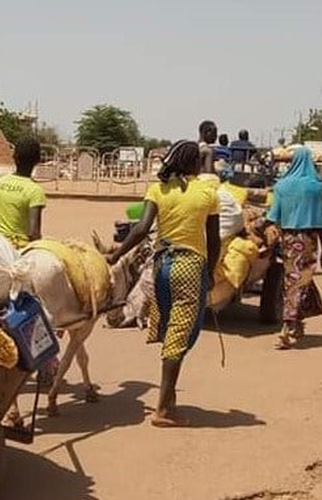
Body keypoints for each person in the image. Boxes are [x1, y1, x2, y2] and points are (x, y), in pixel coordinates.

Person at [107, 140, 220, 427]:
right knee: (180, 335)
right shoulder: (208, 192)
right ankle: (163, 410)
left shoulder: (157, 190)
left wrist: (116, 255)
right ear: (194, 164)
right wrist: (210, 272)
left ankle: (169, 399)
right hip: (189, 267)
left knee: (172, 329)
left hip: (161, 267)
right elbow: (214, 240)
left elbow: (141, 230)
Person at [265, 147, 322, 349]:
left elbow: (273, 216)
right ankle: (286, 328)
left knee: (296, 280)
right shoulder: (315, 187)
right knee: (299, 281)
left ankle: (297, 322)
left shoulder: (282, 186)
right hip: (309, 239)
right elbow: (321, 222)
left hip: (288, 240)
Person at [0, 136, 46, 248]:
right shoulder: (35, 191)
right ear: (38, 160)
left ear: (14, 157)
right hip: (19, 247)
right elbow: (34, 234)